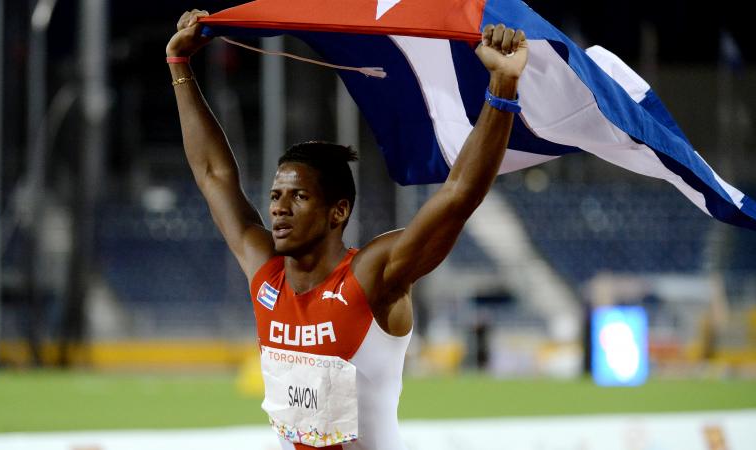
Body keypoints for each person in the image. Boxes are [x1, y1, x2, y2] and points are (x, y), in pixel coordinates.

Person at [167, 9, 528, 450]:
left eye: (298, 197)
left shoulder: (374, 276)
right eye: (276, 196)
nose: (278, 209)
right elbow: (213, 176)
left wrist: (503, 87)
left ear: (338, 212)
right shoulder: (267, 276)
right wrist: (180, 68)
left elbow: (459, 195)